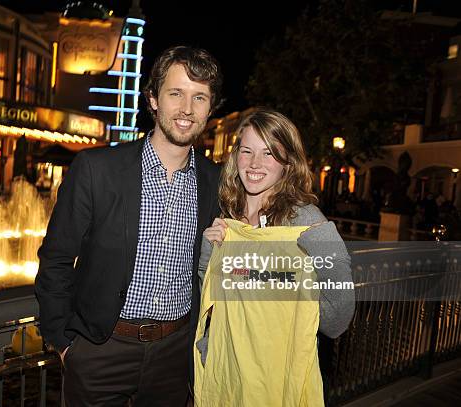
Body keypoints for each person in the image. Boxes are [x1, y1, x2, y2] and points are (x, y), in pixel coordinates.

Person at [36, 45, 223, 406]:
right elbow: (56, 259)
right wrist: (64, 344)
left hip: (174, 354)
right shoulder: (97, 169)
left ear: (210, 108)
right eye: (176, 94)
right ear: (153, 99)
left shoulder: (214, 181)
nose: (187, 109)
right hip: (100, 349)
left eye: (199, 97)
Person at [193, 108, 355, 406]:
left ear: (288, 164)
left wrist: (318, 248)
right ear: (235, 157)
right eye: (247, 151)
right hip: (228, 376)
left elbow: (337, 320)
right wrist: (210, 252)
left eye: (269, 153)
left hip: (276, 382)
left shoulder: (305, 221)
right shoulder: (229, 217)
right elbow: (212, 297)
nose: (255, 164)